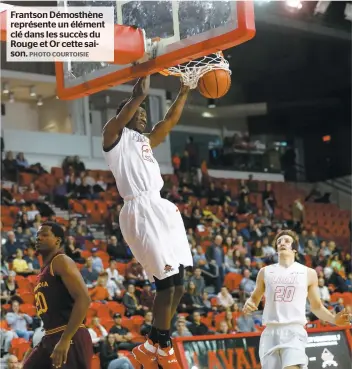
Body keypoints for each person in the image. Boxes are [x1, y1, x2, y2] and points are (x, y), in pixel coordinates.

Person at [102, 74, 192, 369]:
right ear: (124, 115)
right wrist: (148, 67)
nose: (142, 118)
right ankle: (163, 345)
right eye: (137, 114)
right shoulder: (113, 136)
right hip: (138, 210)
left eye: (143, 115)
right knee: (165, 284)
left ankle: (152, 342)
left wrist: (184, 90)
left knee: (179, 284)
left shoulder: (145, 141)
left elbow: (168, 122)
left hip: (161, 207)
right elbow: (139, 94)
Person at [243, 229, 351, 369]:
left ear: (295, 249)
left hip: (294, 331)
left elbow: (316, 307)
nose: (282, 243)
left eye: (287, 241)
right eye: (279, 242)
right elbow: (254, 298)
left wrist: (333, 320)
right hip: (270, 333)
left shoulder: (309, 273)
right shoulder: (265, 272)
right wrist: (249, 303)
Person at [23, 221, 93, 369]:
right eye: (37, 235)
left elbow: (84, 299)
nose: (39, 238)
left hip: (68, 334)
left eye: (44, 235)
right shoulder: (45, 270)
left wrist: (65, 339)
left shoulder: (61, 261)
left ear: (58, 240)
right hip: (49, 335)